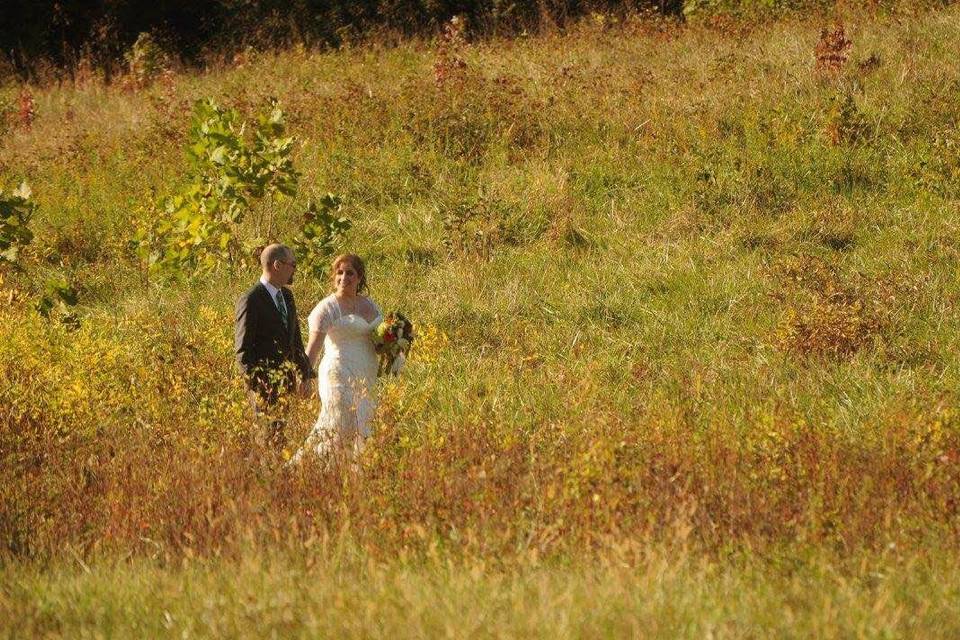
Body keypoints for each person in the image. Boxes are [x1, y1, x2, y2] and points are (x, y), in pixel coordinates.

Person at [291, 254, 382, 462]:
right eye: (339, 272)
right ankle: (313, 466)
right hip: (337, 373)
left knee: (362, 421)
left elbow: (379, 338)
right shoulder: (327, 308)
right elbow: (312, 349)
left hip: (365, 376)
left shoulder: (369, 305)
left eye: (350, 273)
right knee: (339, 422)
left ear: (359, 277)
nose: (343, 277)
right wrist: (304, 377)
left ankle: (353, 470)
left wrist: (394, 344)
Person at [235, 243, 314, 449]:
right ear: (277, 265)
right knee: (267, 440)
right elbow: (243, 350)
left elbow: (294, 340)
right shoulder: (251, 299)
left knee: (281, 439)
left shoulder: (286, 297)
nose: (294, 269)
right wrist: (258, 386)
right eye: (292, 264)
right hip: (264, 387)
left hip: (286, 383)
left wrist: (305, 374)